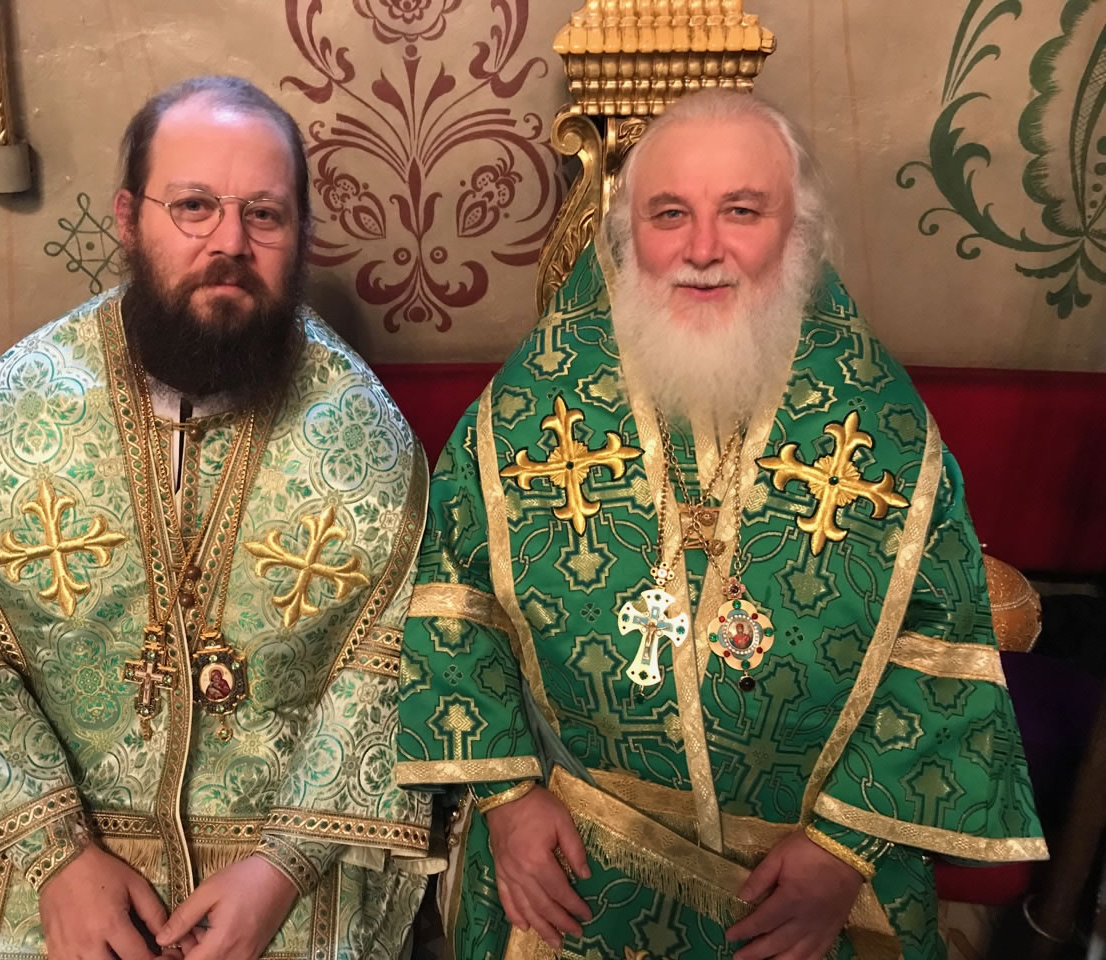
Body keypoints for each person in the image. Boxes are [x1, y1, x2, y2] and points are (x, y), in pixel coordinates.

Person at [396, 89, 1046, 960]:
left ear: (798, 230)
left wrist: (844, 850)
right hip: (577, 860)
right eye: (670, 215)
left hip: (803, 882)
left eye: (741, 211)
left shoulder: (879, 421)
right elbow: (452, 597)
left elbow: (941, 637)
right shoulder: (533, 399)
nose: (702, 250)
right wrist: (510, 800)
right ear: (628, 233)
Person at [0, 75, 431, 960]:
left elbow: (391, 657)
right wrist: (58, 858)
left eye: (265, 214)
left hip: (285, 860)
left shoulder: (362, 433)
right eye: (195, 206)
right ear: (129, 219)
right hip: (60, 848)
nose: (230, 243)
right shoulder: (8, 415)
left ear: (301, 236)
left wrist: (280, 869)